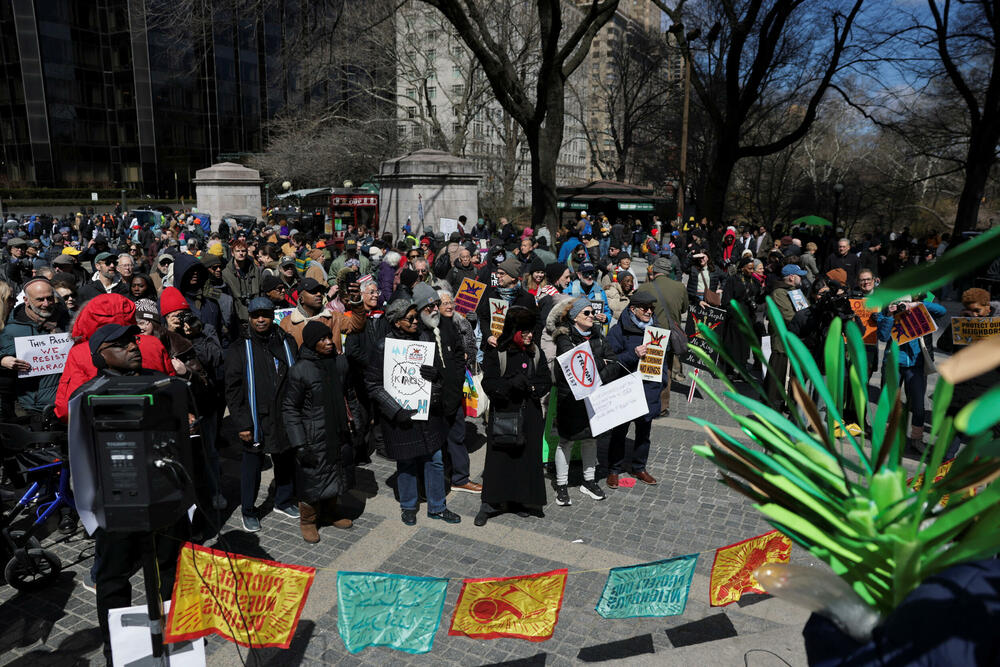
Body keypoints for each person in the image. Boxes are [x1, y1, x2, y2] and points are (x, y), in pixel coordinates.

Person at [70, 323, 192, 664]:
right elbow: (81, 458)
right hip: (116, 505)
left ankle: (177, 635)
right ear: (99, 355)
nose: (132, 347)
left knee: (173, 568)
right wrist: (93, 510)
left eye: (132, 341)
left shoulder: (163, 383)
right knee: (112, 578)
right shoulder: (88, 394)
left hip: (166, 499)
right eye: (120, 344)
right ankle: (118, 649)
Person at [364, 298, 462, 525]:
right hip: (400, 416)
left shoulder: (424, 338)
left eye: (416, 317)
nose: (416, 321)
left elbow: (437, 374)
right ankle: (408, 505)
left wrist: (434, 376)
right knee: (406, 463)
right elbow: (373, 384)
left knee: (435, 459)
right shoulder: (383, 347)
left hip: (427, 413)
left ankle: (437, 506)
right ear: (397, 323)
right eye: (410, 319)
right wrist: (395, 410)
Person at [224, 296, 299, 532]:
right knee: (252, 465)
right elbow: (233, 391)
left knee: (285, 459)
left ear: (272, 315)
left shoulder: (286, 341)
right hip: (255, 417)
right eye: (256, 316)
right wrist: (242, 424)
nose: (260, 320)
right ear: (249, 318)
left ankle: (283, 500)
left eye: (265, 315)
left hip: (283, 413)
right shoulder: (239, 347)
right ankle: (248, 510)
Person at [283, 321, 354, 543]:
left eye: (329, 338)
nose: (328, 343)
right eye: (322, 340)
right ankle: (308, 521)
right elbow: (290, 408)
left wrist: (358, 423)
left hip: (338, 429)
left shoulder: (339, 363)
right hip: (313, 436)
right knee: (312, 480)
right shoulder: (300, 370)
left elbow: (350, 394)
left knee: (337, 472)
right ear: (312, 344)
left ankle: (331, 512)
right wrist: (299, 444)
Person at [551, 297, 622, 506]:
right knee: (566, 440)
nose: (593, 316)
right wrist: (600, 363)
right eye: (587, 313)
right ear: (574, 318)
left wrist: (596, 369)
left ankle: (589, 481)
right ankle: (561, 485)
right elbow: (573, 368)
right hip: (570, 400)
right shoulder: (565, 340)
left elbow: (615, 364)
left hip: (595, 399)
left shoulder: (599, 336)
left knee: (591, 439)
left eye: (592, 313)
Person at [604, 291, 666, 486]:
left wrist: (661, 382)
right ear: (633, 309)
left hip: (648, 388)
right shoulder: (618, 331)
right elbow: (610, 362)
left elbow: (664, 361)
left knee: (643, 433)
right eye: (645, 308)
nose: (649, 312)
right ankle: (614, 469)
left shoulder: (657, 330)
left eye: (651, 309)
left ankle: (639, 467)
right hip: (626, 389)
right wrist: (633, 353)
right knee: (619, 431)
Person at [876, 296, 947, 451]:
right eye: (898, 303)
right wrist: (889, 314)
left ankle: (916, 439)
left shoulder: (918, 309)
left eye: (904, 303)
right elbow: (883, 337)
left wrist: (916, 305)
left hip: (916, 365)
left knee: (918, 405)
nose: (901, 306)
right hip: (893, 363)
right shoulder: (887, 310)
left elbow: (942, 311)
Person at [0, 278, 70, 420]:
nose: (46, 304)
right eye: (40, 299)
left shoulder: (68, 321)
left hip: (66, 403)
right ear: (26, 300)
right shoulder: (9, 327)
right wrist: (2, 360)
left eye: (50, 298)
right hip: (29, 407)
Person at [279, 276, 365, 351]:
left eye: (320, 291)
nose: (319, 294)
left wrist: (357, 302)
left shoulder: (333, 317)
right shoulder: (287, 323)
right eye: (313, 291)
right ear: (301, 299)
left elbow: (357, 326)